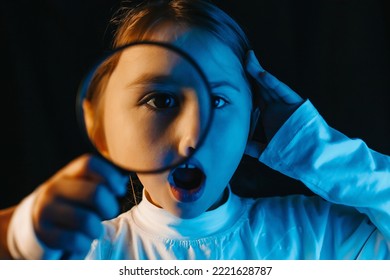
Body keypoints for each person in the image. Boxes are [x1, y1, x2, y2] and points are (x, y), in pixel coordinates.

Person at [5, 0, 390, 259]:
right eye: (160, 100)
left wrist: (311, 147)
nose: (191, 138)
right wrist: (18, 237)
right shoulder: (79, 252)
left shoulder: (318, 238)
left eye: (218, 101)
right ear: (107, 128)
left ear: (253, 123)